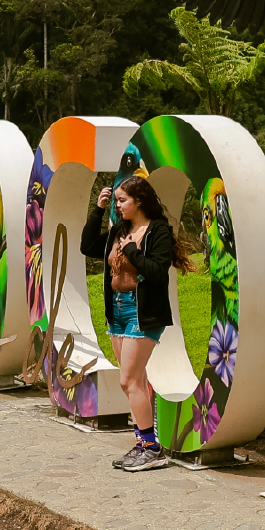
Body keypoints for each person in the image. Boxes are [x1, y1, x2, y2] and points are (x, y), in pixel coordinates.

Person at [80, 174, 191, 472]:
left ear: (139, 201)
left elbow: (156, 272)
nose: (117, 205)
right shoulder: (119, 230)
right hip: (117, 311)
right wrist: (98, 211)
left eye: (122, 200)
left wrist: (131, 250)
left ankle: (152, 449)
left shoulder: (157, 231)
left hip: (143, 312)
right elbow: (88, 246)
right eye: (115, 201)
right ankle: (143, 444)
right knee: (136, 382)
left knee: (127, 380)